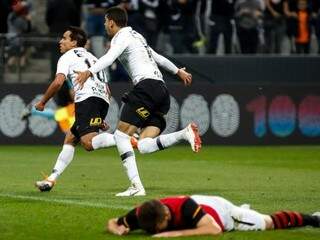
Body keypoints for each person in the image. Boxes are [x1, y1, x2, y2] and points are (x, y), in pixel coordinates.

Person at [75, 6, 201, 197]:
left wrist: (89, 72)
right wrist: (178, 71)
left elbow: (109, 58)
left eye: (105, 22)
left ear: (111, 22)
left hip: (146, 88)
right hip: (161, 91)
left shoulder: (121, 37)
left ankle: (136, 186)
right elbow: (157, 57)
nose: (104, 26)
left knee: (121, 136)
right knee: (144, 145)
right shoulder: (137, 36)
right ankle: (184, 134)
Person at [34, 26, 115, 192]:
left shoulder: (68, 56)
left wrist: (42, 102)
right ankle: (51, 180)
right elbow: (107, 89)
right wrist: (99, 116)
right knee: (71, 138)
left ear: (74, 42)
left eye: (64, 38)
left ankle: (126, 139)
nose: (60, 41)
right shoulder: (93, 58)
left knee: (88, 143)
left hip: (87, 99)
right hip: (101, 100)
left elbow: (58, 82)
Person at [107, 194, 320, 237]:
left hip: (224, 214)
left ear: (165, 216)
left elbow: (214, 230)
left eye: (157, 228)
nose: (154, 231)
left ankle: (314, 218)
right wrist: (118, 229)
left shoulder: (184, 207)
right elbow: (113, 223)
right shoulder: (143, 214)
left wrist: (173, 235)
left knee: (269, 223)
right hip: (204, 205)